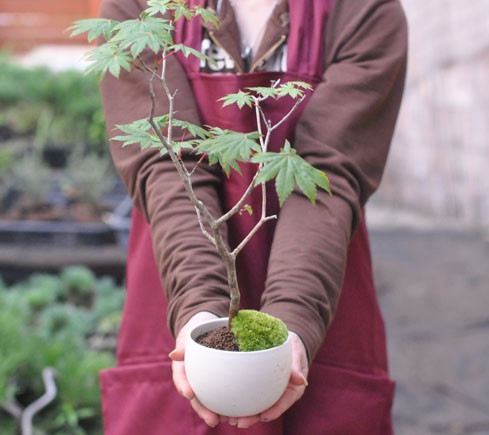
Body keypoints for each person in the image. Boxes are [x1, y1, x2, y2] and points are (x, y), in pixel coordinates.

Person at [98, 0, 408, 433]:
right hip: (179, 273)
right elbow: (169, 165)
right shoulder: (140, 9)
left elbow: (325, 175)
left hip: (318, 282)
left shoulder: (361, 10)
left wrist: (293, 322)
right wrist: (198, 313)